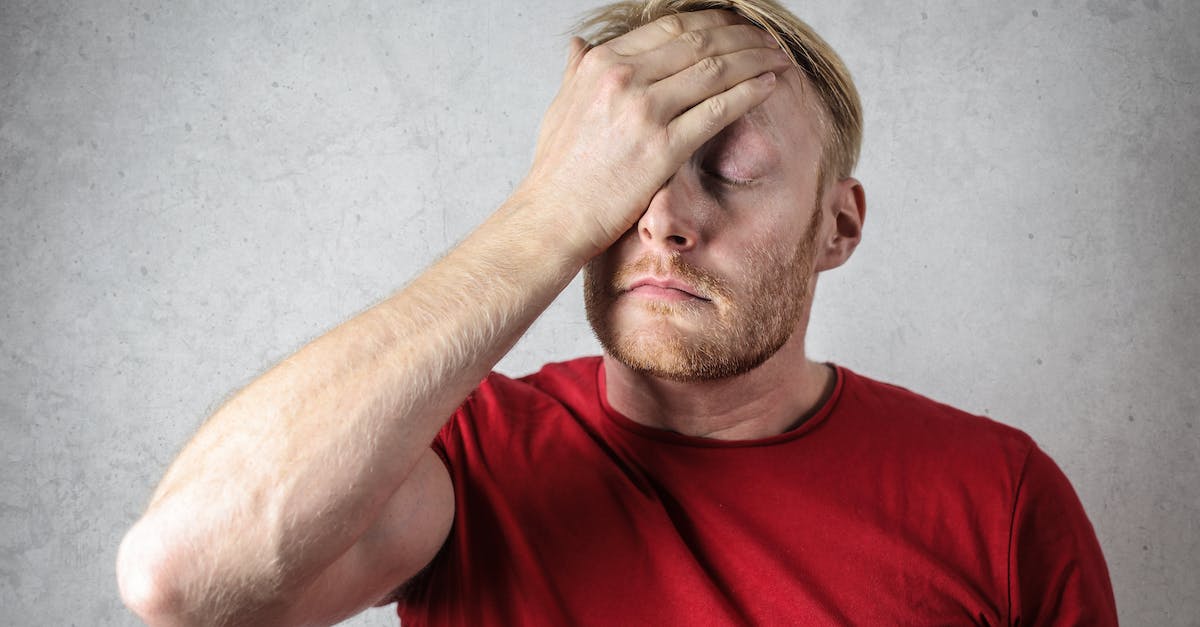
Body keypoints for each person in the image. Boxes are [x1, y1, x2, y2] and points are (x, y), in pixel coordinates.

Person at [116, 0, 1118, 625]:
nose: (665, 222)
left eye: (730, 171)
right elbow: (180, 583)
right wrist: (546, 213)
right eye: (624, 180)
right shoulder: (463, 455)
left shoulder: (1000, 494)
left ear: (837, 227)